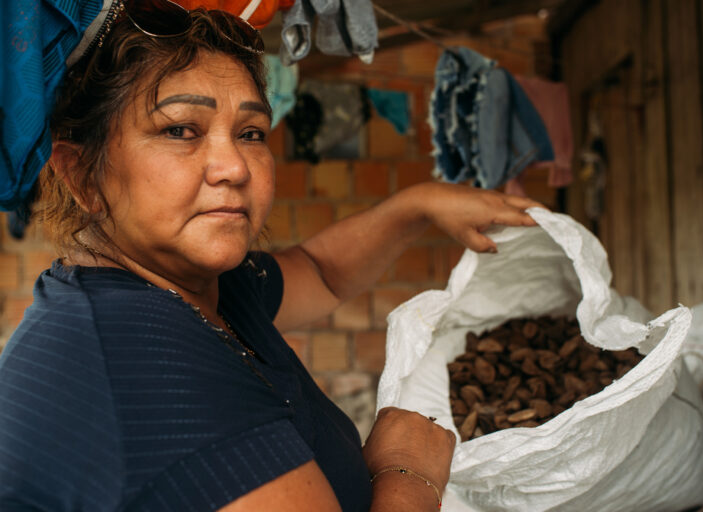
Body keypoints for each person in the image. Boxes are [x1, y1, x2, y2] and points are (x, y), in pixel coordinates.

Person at [0, 2, 543, 511]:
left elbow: (320, 271)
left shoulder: (196, 288)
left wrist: (418, 205)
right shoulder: (137, 366)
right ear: (81, 176)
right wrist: (408, 477)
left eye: (251, 132)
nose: (234, 166)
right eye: (181, 129)